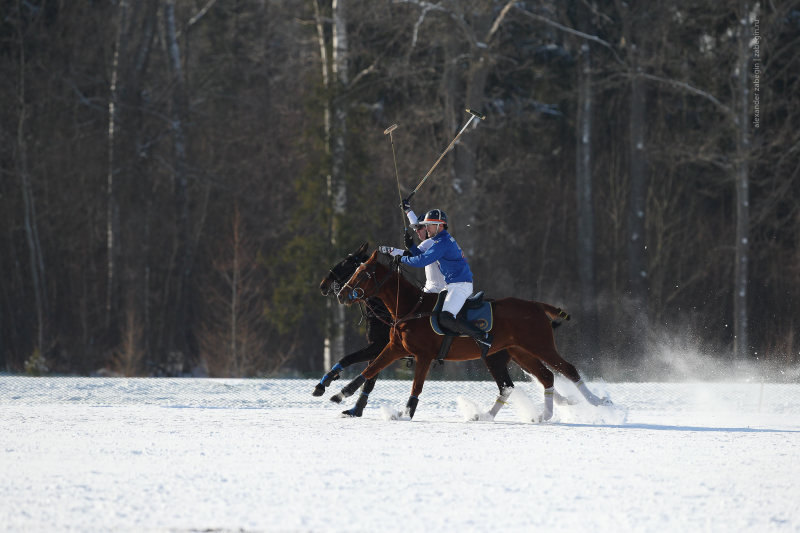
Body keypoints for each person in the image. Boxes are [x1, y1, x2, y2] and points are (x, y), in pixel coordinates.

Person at [395, 207, 492, 358]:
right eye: (425, 225)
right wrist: (412, 247)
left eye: (429, 224)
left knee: (446, 317)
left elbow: (422, 261)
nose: (426, 227)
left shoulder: (443, 242)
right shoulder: (439, 240)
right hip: (453, 285)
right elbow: (423, 255)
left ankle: (483, 338)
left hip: (460, 285)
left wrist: (402, 258)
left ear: (440, 225)